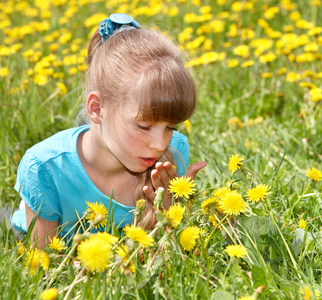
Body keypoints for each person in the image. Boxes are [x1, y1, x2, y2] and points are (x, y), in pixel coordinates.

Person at [10, 13, 207, 247]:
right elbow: (44, 266)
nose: (160, 144)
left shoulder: (174, 153)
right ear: (97, 108)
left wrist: (170, 218)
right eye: (144, 126)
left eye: (170, 127)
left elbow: (170, 256)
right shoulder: (45, 169)